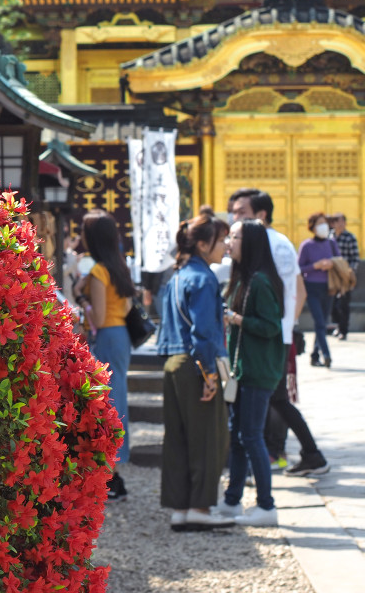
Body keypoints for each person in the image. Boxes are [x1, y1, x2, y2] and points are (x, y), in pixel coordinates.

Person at [227, 189, 329, 477]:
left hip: (271, 337)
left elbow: (296, 290)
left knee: (276, 398)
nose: (235, 219)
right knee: (275, 398)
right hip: (267, 334)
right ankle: (295, 453)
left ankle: (295, 453)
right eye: (234, 212)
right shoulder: (263, 242)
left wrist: (284, 329)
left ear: (260, 216)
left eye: (241, 213)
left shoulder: (274, 244)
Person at [156, 212, 234, 531]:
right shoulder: (204, 279)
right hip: (196, 364)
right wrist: (210, 375)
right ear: (203, 244)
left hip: (173, 362)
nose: (226, 245)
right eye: (220, 240)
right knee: (208, 438)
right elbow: (203, 332)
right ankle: (200, 507)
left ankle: (180, 507)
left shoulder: (177, 276)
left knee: (177, 438)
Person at [214, 219, 285, 527]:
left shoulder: (260, 281)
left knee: (251, 436)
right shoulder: (243, 278)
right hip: (242, 370)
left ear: (251, 242)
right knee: (239, 436)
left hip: (258, 371)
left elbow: (271, 327)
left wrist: (237, 318)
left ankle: (266, 505)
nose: (229, 241)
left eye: (235, 236)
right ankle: (232, 501)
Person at [73, 210, 134, 501]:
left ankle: (111, 475)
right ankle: (116, 471)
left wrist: (81, 297)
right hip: (121, 335)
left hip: (107, 336)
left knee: (107, 404)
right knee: (118, 400)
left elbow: (96, 315)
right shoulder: (119, 266)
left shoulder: (97, 272)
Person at [298, 212, 340, 369]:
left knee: (322, 322)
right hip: (312, 286)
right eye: (319, 223)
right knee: (320, 322)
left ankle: (315, 355)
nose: (323, 226)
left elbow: (340, 261)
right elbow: (299, 268)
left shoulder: (331, 244)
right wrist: (315, 266)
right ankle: (327, 354)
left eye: (325, 223)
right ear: (312, 227)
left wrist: (331, 264)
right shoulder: (306, 246)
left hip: (329, 287)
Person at [329, 213, 359, 340]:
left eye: (342, 222)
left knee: (343, 303)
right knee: (332, 304)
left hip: (345, 274)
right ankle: (338, 326)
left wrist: (350, 271)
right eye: (337, 222)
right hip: (332, 274)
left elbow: (355, 258)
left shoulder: (350, 237)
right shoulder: (330, 238)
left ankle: (344, 330)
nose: (340, 225)